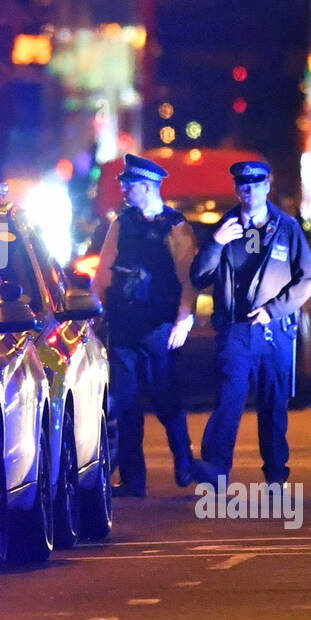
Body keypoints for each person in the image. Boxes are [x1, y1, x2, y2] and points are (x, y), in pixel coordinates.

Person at [189, 161, 311, 486]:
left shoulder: (286, 228)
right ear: (237, 189)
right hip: (236, 331)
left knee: (274, 404)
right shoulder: (225, 227)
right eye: (243, 184)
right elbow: (199, 276)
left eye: (256, 183)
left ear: (267, 185)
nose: (249, 189)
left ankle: (276, 473)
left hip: (275, 332)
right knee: (229, 399)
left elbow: (309, 279)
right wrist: (215, 243)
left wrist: (273, 310)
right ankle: (217, 470)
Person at [92, 154, 198, 496]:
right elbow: (105, 270)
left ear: (149, 187)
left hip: (159, 326)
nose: (123, 188)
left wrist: (184, 319)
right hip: (124, 325)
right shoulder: (121, 223)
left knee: (165, 397)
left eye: (130, 184)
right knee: (126, 403)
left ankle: (183, 461)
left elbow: (187, 278)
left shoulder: (175, 226)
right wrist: (94, 312)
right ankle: (133, 479)